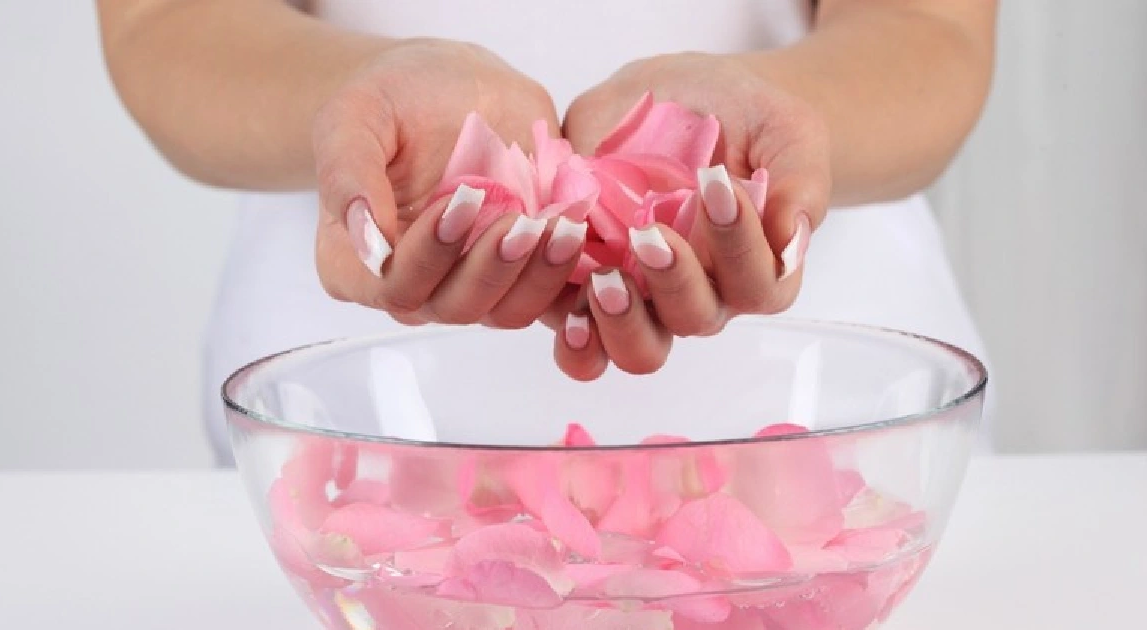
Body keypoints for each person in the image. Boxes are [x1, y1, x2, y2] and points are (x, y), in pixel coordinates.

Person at [97, 0, 997, 465]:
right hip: (350, 429)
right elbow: (167, 21)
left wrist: (787, 131)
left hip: (832, 419)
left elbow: (928, 28)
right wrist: (362, 110)